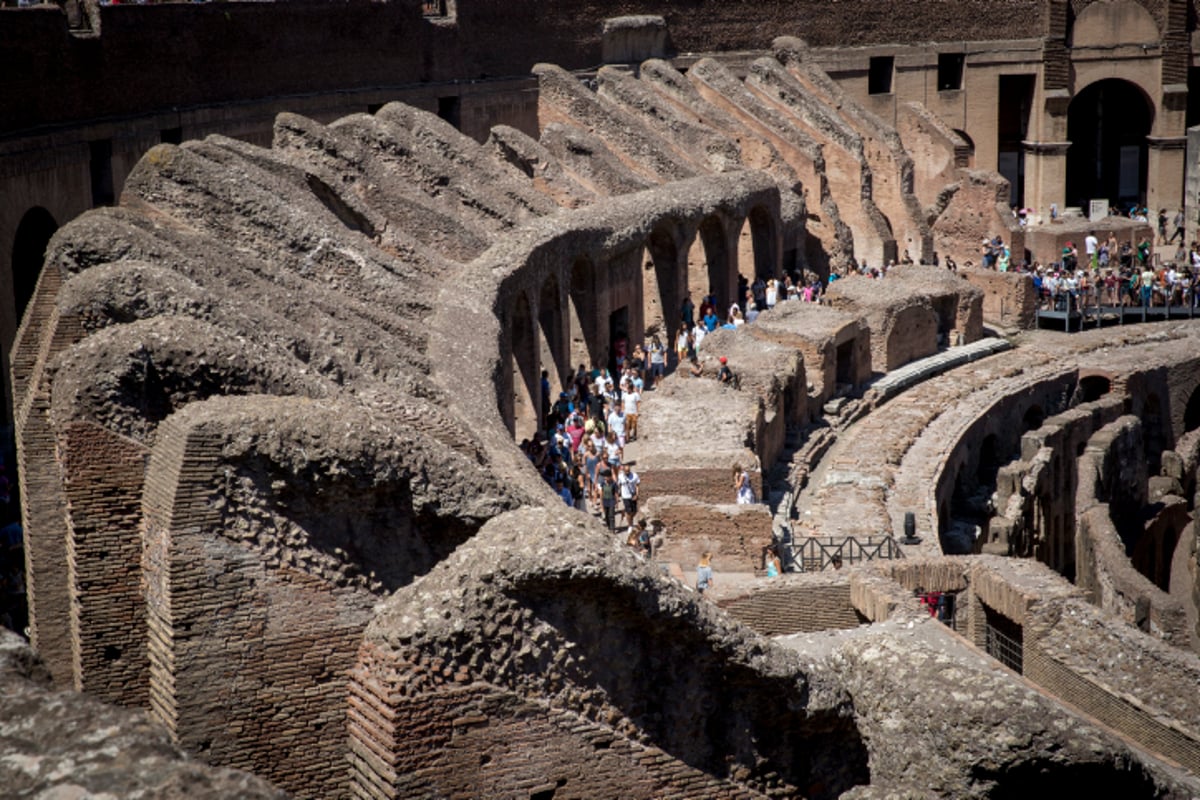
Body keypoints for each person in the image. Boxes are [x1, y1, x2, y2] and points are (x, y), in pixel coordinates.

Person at [617, 463, 640, 530]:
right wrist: (618, 495)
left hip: (633, 495)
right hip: (625, 496)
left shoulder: (635, 476)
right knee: (629, 511)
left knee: (635, 511)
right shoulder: (620, 476)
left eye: (628, 471)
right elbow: (619, 485)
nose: (627, 472)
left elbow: (637, 485)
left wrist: (637, 494)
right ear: (623, 470)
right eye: (626, 471)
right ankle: (630, 525)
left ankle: (628, 516)